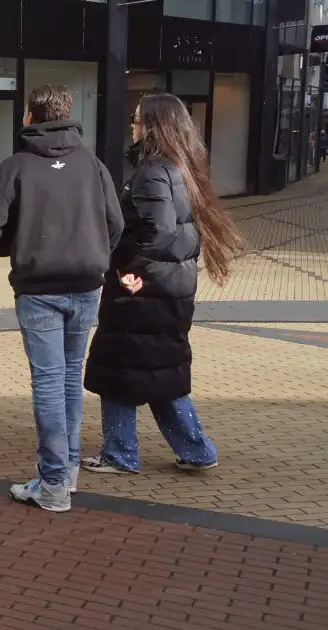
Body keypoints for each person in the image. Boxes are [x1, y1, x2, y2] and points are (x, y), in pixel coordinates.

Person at [0, 84, 123, 513]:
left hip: (38, 289)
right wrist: (92, 256)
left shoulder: (15, 167)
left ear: (30, 117)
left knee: (49, 383)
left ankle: (54, 483)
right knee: (69, 378)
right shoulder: (93, 166)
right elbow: (115, 224)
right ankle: (66, 472)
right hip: (85, 284)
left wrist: (19, 250)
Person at [82, 93, 240, 476]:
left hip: (143, 290)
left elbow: (159, 229)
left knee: (119, 369)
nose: (132, 126)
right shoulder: (182, 167)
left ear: (154, 125)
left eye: (137, 120)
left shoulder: (153, 171)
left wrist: (128, 269)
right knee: (159, 370)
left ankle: (120, 453)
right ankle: (197, 450)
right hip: (170, 286)